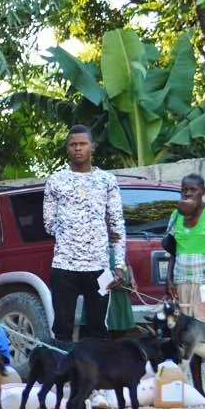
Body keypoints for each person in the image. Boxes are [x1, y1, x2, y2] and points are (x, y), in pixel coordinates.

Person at [42, 125, 126, 341]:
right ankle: (62, 373)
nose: (78, 148)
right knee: (62, 328)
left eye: (82, 144)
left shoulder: (107, 181)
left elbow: (116, 223)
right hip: (64, 267)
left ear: (92, 147)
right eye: (73, 144)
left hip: (98, 268)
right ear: (67, 148)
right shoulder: (55, 181)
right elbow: (48, 224)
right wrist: (73, 233)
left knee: (98, 328)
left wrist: (119, 266)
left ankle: (93, 374)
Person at [164, 173, 205, 317]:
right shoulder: (176, 215)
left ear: (203, 191)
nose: (188, 194)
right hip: (182, 281)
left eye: (193, 189)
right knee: (185, 328)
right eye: (184, 190)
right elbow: (173, 252)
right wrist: (169, 279)